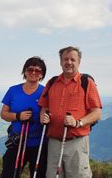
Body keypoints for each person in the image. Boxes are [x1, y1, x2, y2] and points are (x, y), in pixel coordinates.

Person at [39, 46, 102, 178]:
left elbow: (96, 112)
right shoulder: (52, 82)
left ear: (79, 62)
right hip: (54, 142)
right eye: (65, 59)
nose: (69, 62)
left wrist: (78, 122)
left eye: (73, 59)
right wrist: (43, 117)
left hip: (76, 142)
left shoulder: (86, 82)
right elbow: (44, 106)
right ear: (60, 62)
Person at [0, 56, 48, 178]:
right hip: (17, 142)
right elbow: (3, 114)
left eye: (37, 70)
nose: (33, 73)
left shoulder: (46, 93)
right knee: (9, 174)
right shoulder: (13, 90)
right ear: (25, 72)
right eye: (30, 69)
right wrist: (17, 116)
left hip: (39, 144)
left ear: (42, 75)